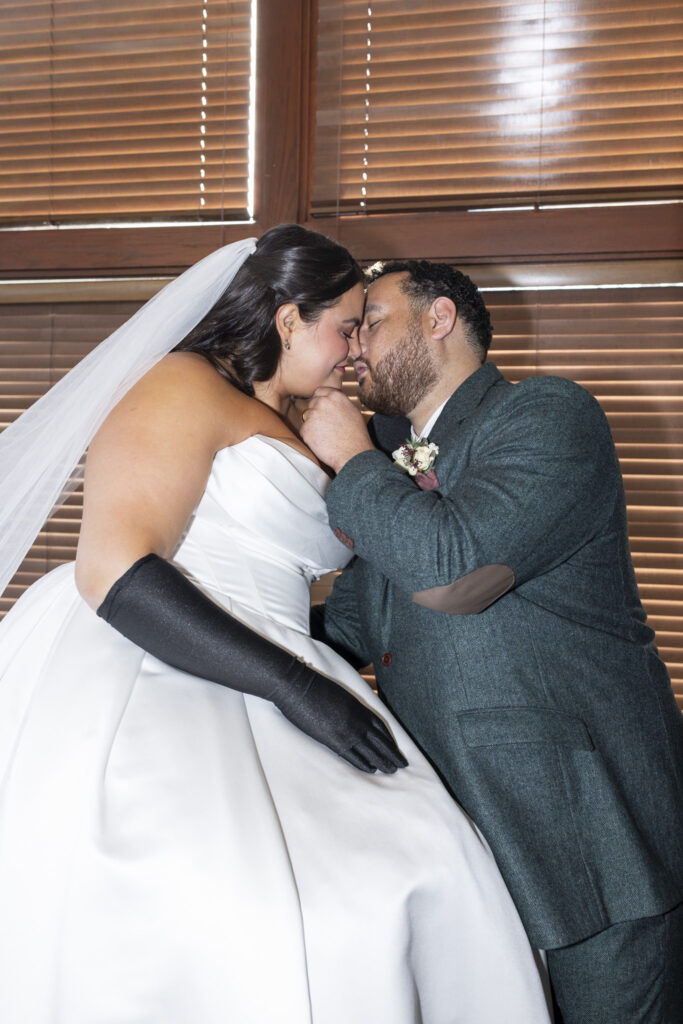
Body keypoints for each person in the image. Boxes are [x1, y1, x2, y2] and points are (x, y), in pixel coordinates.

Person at [0, 228, 552, 1023]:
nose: (356, 350)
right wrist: (296, 689)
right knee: (223, 916)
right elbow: (114, 570)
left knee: (411, 871)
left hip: (282, 655)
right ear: (288, 320)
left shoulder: (317, 426)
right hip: (159, 663)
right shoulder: (181, 383)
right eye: (346, 326)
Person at [301, 258, 683, 1024]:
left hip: (590, 841)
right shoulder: (395, 461)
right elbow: (352, 626)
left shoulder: (547, 414)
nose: (352, 350)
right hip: (461, 843)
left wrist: (351, 457)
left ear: (438, 319)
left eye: (370, 320)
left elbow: (456, 575)